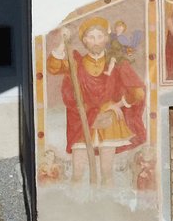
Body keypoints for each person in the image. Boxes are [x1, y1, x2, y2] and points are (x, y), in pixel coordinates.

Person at [48, 16, 147, 184]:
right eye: (91, 37)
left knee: (106, 173)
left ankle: (104, 206)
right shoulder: (76, 63)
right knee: (77, 174)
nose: (96, 42)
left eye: (100, 37)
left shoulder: (117, 63)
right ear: (84, 40)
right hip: (82, 120)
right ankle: (79, 209)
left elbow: (138, 92)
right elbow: (53, 67)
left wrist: (118, 105)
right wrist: (61, 43)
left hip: (108, 121)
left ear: (106, 39)